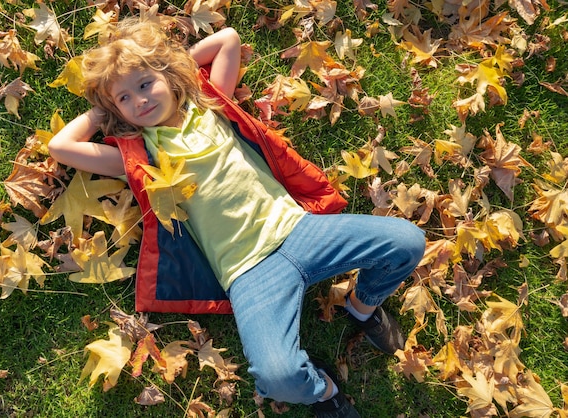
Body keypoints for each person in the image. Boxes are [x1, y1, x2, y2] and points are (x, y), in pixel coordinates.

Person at [48, 16, 426, 418]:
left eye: (145, 84)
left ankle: (361, 306)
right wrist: (102, 110)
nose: (139, 100)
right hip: (247, 273)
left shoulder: (209, 103)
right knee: (277, 377)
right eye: (124, 99)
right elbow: (61, 146)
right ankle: (324, 389)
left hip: (298, 230)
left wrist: (172, 69)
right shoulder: (139, 156)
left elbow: (228, 39)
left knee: (406, 241)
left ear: (169, 76)